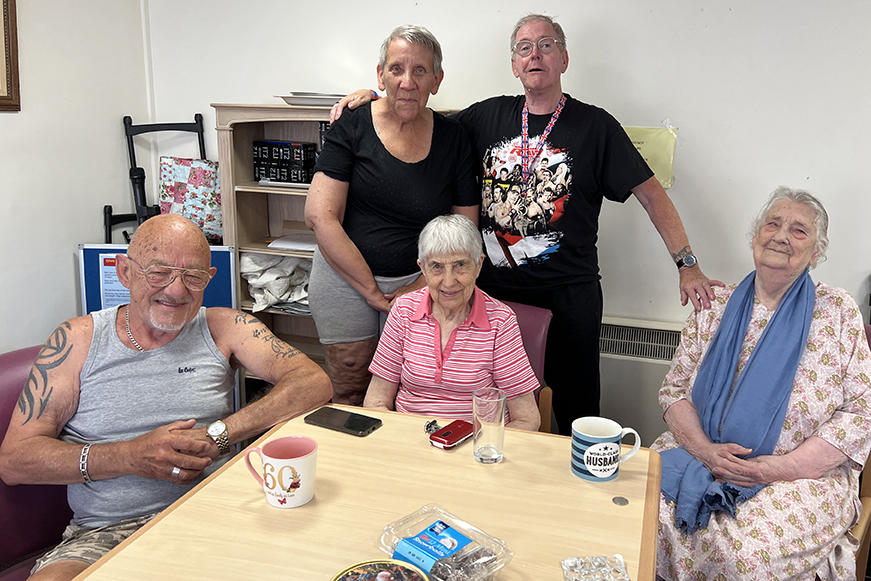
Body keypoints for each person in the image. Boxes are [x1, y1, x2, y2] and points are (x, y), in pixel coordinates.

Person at [331, 14, 721, 434]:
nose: (535, 54)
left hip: (569, 293)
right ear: (515, 65)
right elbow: (418, 109)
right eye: (524, 47)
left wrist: (687, 264)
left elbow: (651, 193)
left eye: (546, 45)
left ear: (564, 59)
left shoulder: (596, 126)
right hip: (490, 295)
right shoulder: (483, 117)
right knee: (493, 411)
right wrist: (376, 96)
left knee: (577, 411)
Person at [0, 215, 332, 581]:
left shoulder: (225, 326)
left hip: (217, 511)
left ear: (209, 278)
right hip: (105, 534)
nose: (176, 290)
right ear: (124, 271)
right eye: (158, 272)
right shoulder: (76, 341)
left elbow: (313, 382)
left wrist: (218, 434)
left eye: (193, 276)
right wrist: (130, 456)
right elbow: (15, 461)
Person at [651, 187, 871, 580]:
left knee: (741, 554)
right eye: (773, 223)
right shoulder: (713, 304)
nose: (782, 235)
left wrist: (779, 468)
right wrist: (706, 451)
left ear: (817, 253)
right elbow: (674, 390)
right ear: (755, 238)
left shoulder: (838, 311)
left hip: (800, 477)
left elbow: (859, 412)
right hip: (697, 454)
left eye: (799, 230)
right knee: (636, 516)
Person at [304, 24, 479, 407]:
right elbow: (320, 216)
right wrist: (370, 290)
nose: (407, 81)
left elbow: (465, 227)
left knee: (408, 390)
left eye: (420, 70)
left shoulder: (453, 137)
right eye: (396, 69)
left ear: (437, 79)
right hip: (344, 278)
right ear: (380, 75)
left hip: (424, 280)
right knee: (350, 384)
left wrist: (419, 286)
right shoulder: (351, 123)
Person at [364, 215, 540, 431]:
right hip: (410, 445)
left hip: (476, 450)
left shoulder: (501, 322)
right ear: (423, 268)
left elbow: (527, 419)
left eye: (460, 265)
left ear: (478, 265)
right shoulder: (403, 311)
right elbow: (376, 402)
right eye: (436, 266)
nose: (448, 281)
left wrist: (482, 452)